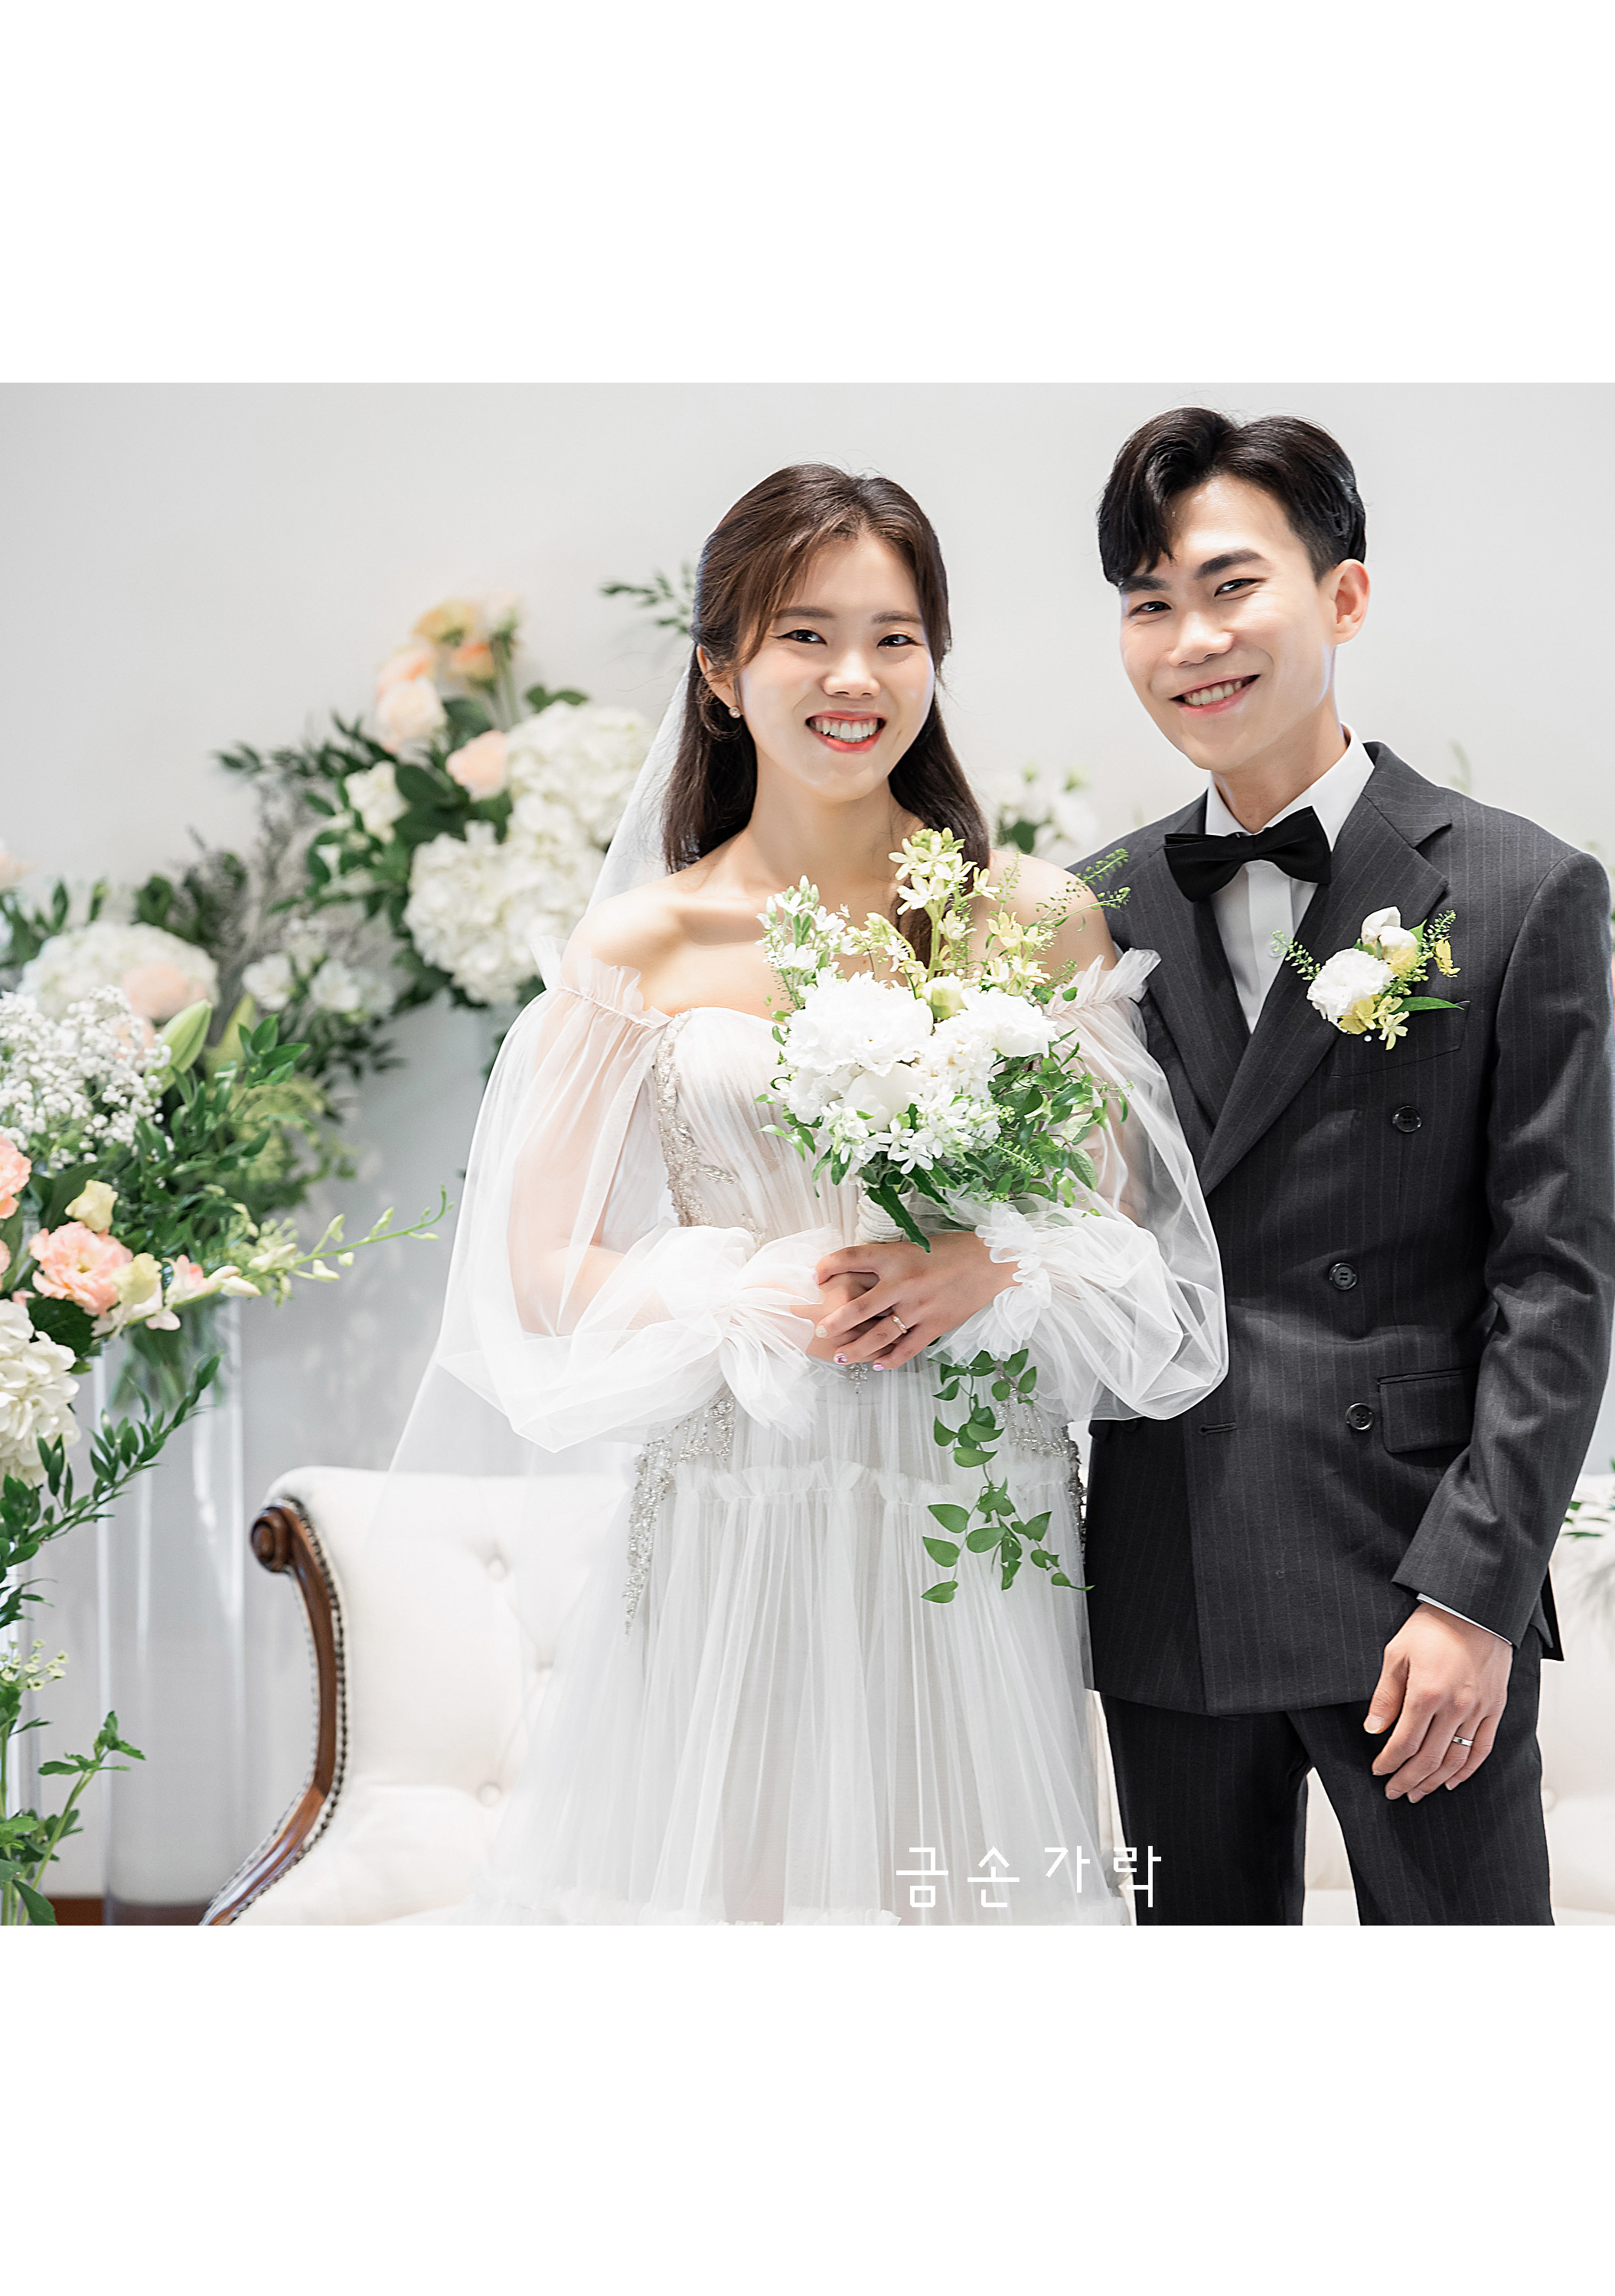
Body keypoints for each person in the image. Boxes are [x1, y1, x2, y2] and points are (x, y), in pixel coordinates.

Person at [403, 463, 1225, 1923]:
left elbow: (1128, 1238)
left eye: (895, 637)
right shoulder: (641, 946)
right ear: (721, 673)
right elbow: (539, 1267)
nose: (856, 677)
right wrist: (743, 1291)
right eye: (805, 635)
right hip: (738, 1507)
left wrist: (993, 1265)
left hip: (976, 1513)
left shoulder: (1032, 920)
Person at [1077, 408, 1615, 1924]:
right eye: (1149, 604)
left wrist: (1474, 1594)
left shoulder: (1515, 888)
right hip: (1172, 1565)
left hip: (1410, 1576)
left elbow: (1555, 1284)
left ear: (1346, 595)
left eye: (1232, 587)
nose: (1193, 641)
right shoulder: (1089, 908)